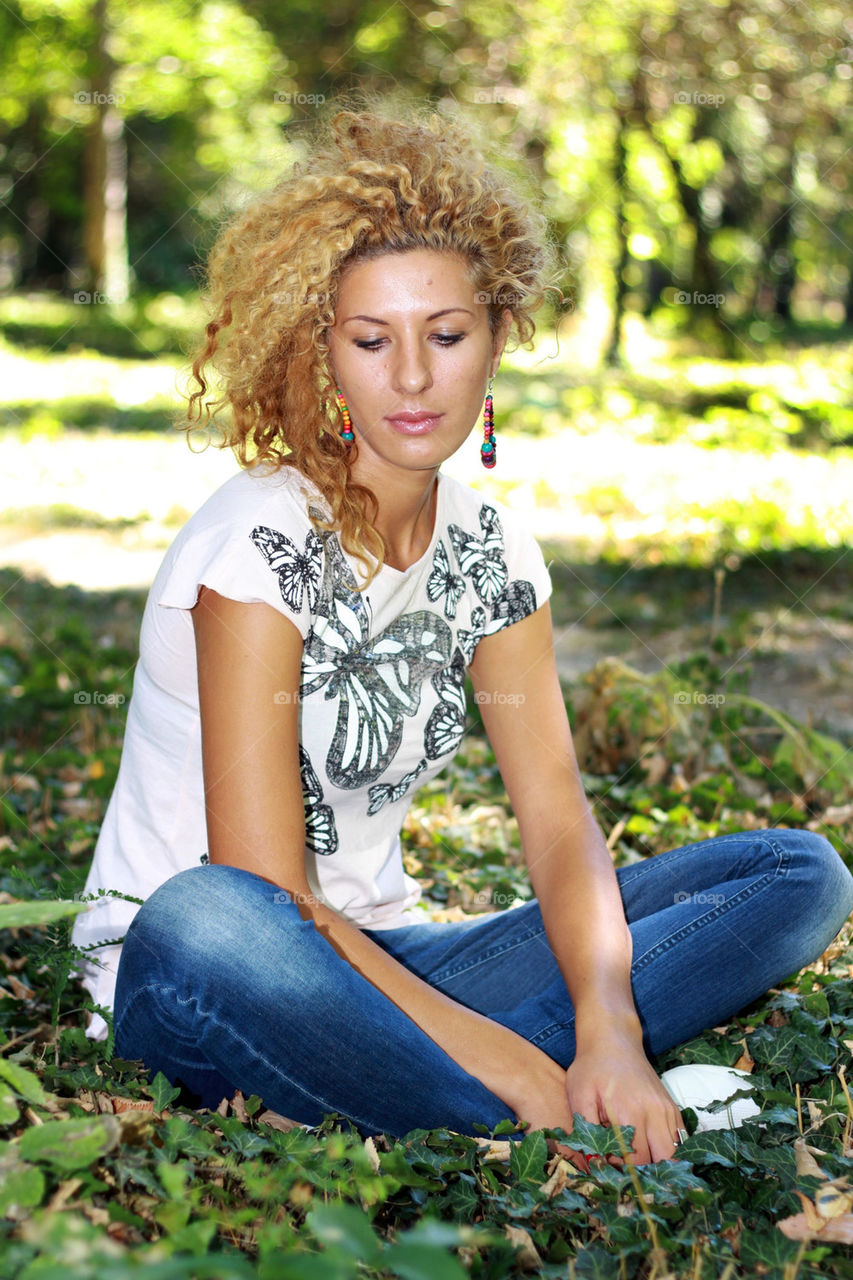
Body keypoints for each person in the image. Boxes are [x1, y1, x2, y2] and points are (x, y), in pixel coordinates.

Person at [71, 103, 853, 1165]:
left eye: (445, 334)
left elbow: (556, 817)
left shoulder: (488, 548)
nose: (410, 376)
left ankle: (432, 1085)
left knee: (796, 872)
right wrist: (512, 1056)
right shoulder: (256, 545)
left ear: (497, 335)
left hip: (391, 961)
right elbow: (269, 890)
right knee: (207, 911)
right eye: (369, 339)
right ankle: (507, 1098)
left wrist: (609, 1026)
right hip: (218, 970)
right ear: (320, 349)